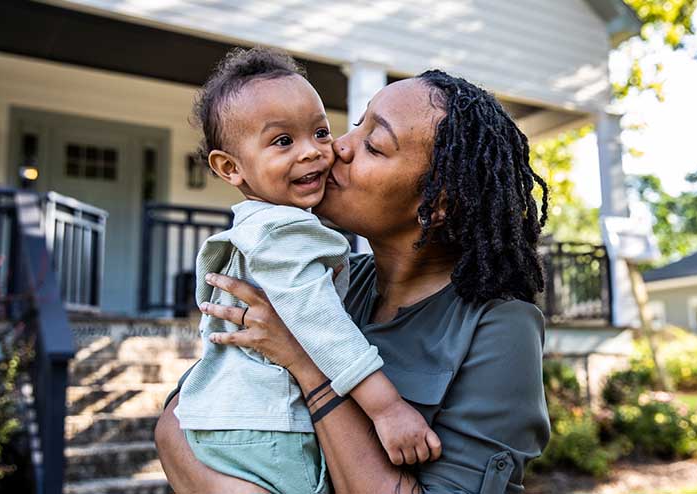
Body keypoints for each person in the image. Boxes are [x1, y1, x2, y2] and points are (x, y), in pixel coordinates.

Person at [155, 67, 552, 494]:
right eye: (356, 124)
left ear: (438, 203)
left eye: (373, 145)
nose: (336, 147)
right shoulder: (329, 279)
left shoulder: (499, 328)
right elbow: (180, 421)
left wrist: (307, 366)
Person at [173, 47, 438, 494]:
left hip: (226, 421)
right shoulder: (284, 232)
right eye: (282, 142)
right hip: (269, 428)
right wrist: (386, 408)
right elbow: (322, 326)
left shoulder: (255, 228)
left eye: (319, 132)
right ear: (229, 167)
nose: (314, 152)